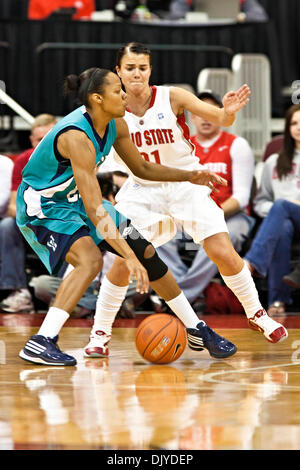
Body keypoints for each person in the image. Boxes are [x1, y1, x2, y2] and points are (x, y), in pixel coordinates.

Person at [17, 66, 239, 366]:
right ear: (97, 98)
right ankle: (42, 341)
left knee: (144, 248)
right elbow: (96, 207)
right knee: (90, 260)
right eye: (117, 91)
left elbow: (144, 169)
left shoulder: (116, 123)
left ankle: (196, 329)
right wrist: (126, 256)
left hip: (76, 199)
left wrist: (190, 175)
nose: (125, 95)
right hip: (45, 207)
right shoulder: (75, 137)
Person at [84, 42, 287, 359]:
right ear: (118, 71)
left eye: (143, 67)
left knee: (222, 250)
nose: (137, 73)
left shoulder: (171, 96)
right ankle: (100, 333)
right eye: (130, 67)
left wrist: (228, 112)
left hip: (186, 182)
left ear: (150, 70)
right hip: (141, 188)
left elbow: (221, 118)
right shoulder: (109, 110)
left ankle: (257, 315)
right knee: (124, 261)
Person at [156, 90, 255, 306]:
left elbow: (242, 197)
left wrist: (210, 216)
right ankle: (194, 293)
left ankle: (181, 297)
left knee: (228, 236)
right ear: (192, 116)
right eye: (199, 113)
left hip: (231, 217)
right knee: (158, 233)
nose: (204, 118)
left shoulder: (237, 145)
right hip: (189, 215)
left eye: (209, 112)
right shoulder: (182, 146)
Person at [244, 104, 300, 315]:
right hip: (283, 220)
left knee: (282, 206)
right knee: (282, 227)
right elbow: (260, 202)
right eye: (294, 123)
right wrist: (278, 212)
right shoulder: (273, 162)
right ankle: (278, 301)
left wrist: (285, 206)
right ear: (287, 128)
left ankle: (252, 262)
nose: (298, 127)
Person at [0, 114, 56, 313]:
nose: (42, 143)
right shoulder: (23, 161)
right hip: (32, 223)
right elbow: (13, 207)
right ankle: (18, 291)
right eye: (38, 139)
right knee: (7, 225)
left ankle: (73, 291)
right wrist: (34, 215)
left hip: (61, 221)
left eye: (47, 137)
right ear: (31, 140)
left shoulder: (69, 158)